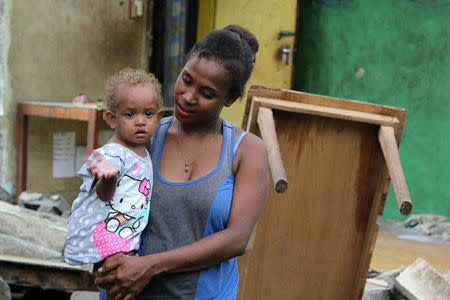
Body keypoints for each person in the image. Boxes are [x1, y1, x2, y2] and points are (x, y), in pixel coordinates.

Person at [94, 24, 269, 300]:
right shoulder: (145, 137)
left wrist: (149, 266)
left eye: (207, 93)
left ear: (231, 98)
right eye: (186, 79)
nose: (188, 97)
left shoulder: (246, 151)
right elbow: (105, 205)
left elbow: (237, 239)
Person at [64, 68, 164, 266]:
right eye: (129, 114)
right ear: (112, 119)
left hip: (120, 238)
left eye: (148, 114)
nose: (140, 121)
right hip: (104, 242)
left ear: (158, 118)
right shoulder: (114, 154)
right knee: (118, 284)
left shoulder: (141, 149)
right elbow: (104, 194)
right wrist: (109, 178)